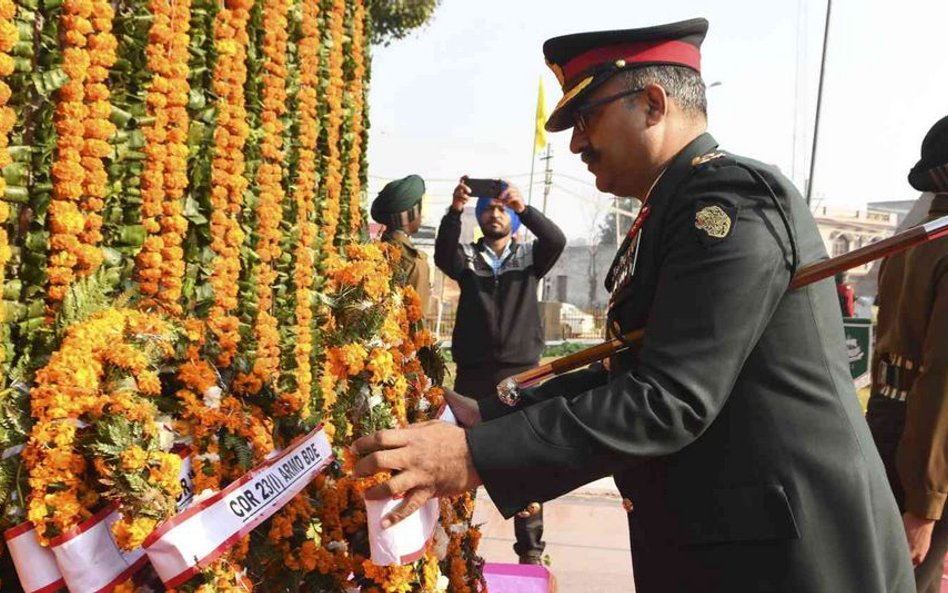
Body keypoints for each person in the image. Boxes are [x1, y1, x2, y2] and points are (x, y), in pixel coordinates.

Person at [353, 18, 913, 592]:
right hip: (734, 541)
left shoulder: (725, 201)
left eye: (587, 117)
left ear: (651, 103)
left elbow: (671, 396)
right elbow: (632, 365)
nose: (575, 144)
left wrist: (475, 455)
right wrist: (492, 418)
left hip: (790, 557)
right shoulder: (671, 206)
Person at [433, 177, 566, 564]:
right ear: (480, 217)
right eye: (488, 209)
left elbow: (556, 240)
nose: (494, 214)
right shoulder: (467, 260)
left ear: (511, 217)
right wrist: (455, 209)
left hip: (522, 375)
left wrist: (525, 207)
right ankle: (456, 545)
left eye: (501, 209)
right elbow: (443, 254)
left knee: (524, 457)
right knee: (462, 455)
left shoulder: (530, 259)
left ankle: (530, 549)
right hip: (474, 375)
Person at [866, 114, 948, 593]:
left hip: (893, 424)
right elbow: (941, 382)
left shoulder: (918, 233)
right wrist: (925, 501)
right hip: (923, 444)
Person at [370, 174, 431, 313]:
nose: (422, 216)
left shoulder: (371, 251)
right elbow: (416, 322)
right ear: (411, 214)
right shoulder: (414, 262)